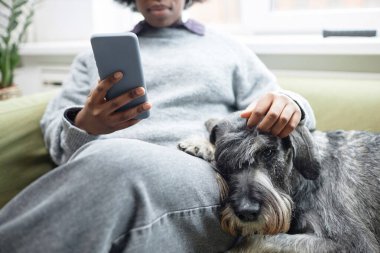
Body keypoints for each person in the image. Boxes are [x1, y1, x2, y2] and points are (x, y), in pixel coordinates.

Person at [0, 0, 316, 252]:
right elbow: (57, 136)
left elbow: (284, 109)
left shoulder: (229, 49)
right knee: (110, 163)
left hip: (203, 176)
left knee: (114, 161)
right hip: (105, 169)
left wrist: (292, 105)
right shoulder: (91, 58)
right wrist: (84, 124)